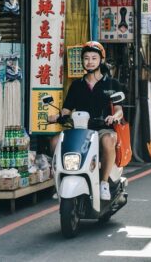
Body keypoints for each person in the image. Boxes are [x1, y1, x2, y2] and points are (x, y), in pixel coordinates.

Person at [51, 41, 124, 201]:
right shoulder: (76, 85)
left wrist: (114, 117)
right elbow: (67, 109)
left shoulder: (112, 84)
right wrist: (57, 116)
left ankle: (104, 182)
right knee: (55, 142)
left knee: (108, 140)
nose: (89, 61)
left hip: (102, 128)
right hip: (80, 130)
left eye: (93, 58)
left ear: (101, 60)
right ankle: (60, 181)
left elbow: (119, 110)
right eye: (86, 58)